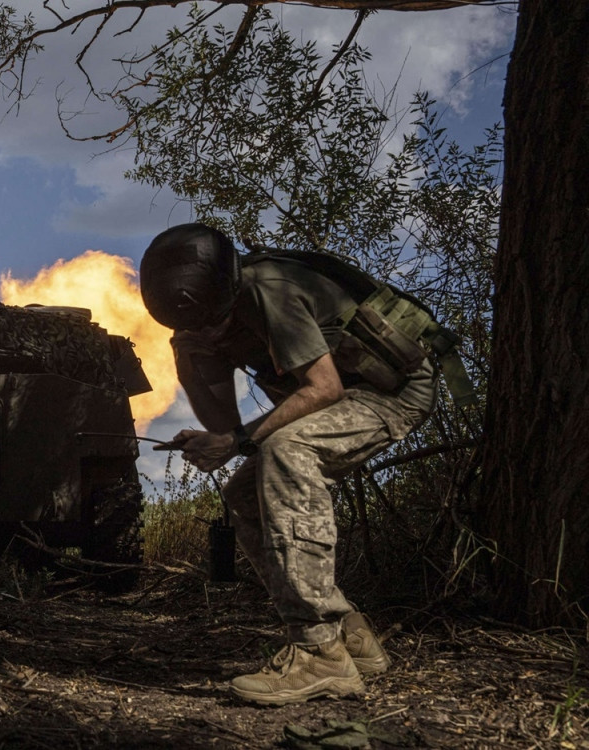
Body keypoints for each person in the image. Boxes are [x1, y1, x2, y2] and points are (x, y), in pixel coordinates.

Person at [139, 223, 438, 706]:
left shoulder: (268, 290)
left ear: (227, 291)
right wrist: (193, 364)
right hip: (341, 395)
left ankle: (319, 652)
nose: (204, 331)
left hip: (390, 392)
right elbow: (223, 424)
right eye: (191, 327)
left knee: (288, 450)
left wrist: (236, 441)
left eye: (208, 323)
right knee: (241, 491)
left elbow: (324, 390)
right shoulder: (200, 324)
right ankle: (350, 636)